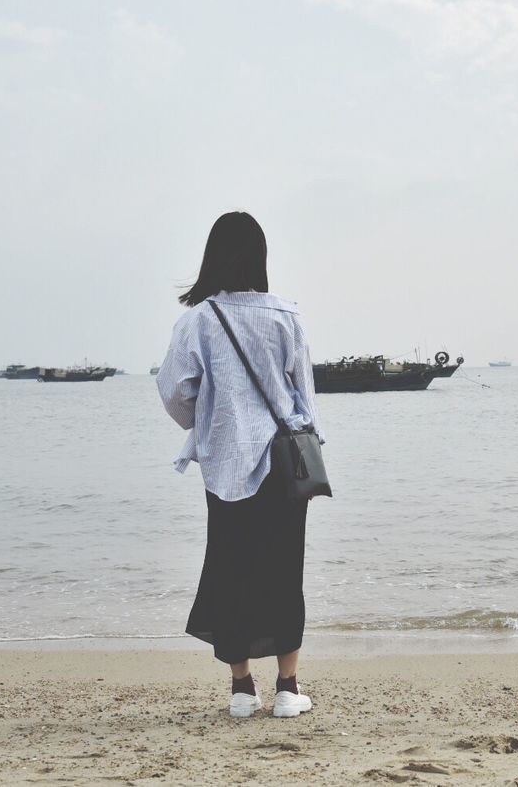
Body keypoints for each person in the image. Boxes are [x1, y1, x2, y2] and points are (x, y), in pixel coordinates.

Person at [156, 211, 324, 719]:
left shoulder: (198, 321)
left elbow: (174, 392)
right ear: (260, 257)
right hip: (281, 463)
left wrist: (209, 425)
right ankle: (289, 690)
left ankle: (242, 691)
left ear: (213, 258)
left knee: (231, 570)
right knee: (283, 571)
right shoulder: (286, 317)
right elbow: (305, 400)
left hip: (227, 466)